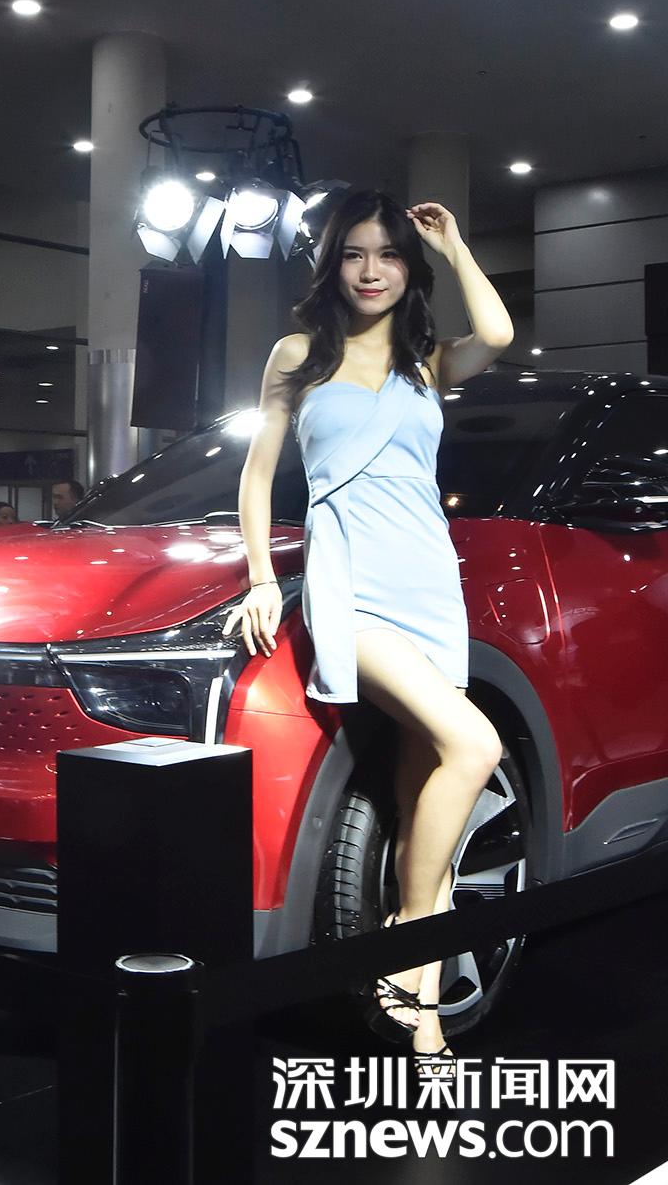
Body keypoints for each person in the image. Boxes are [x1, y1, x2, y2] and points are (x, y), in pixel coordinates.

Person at [224, 188, 513, 1077]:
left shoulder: (427, 360)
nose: (372, 269)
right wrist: (263, 578)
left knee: (424, 789)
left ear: (407, 267)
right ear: (333, 264)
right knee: (475, 744)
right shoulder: (298, 353)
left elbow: (498, 333)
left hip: (429, 581)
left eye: (388, 253)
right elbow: (258, 474)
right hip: (350, 582)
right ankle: (407, 934)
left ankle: (420, 1014)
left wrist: (456, 245)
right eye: (354, 253)